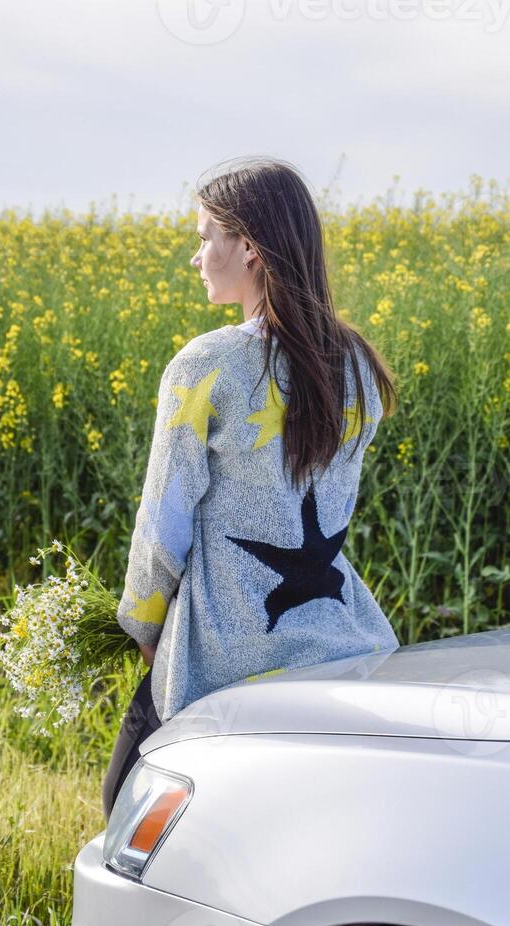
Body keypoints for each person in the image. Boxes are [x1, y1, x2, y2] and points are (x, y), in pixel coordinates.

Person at [101, 155, 400, 821]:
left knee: (128, 805)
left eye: (206, 235)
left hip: (226, 651)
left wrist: (146, 628)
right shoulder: (355, 364)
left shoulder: (206, 365)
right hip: (336, 637)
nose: (196, 256)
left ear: (250, 248)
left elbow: (165, 520)